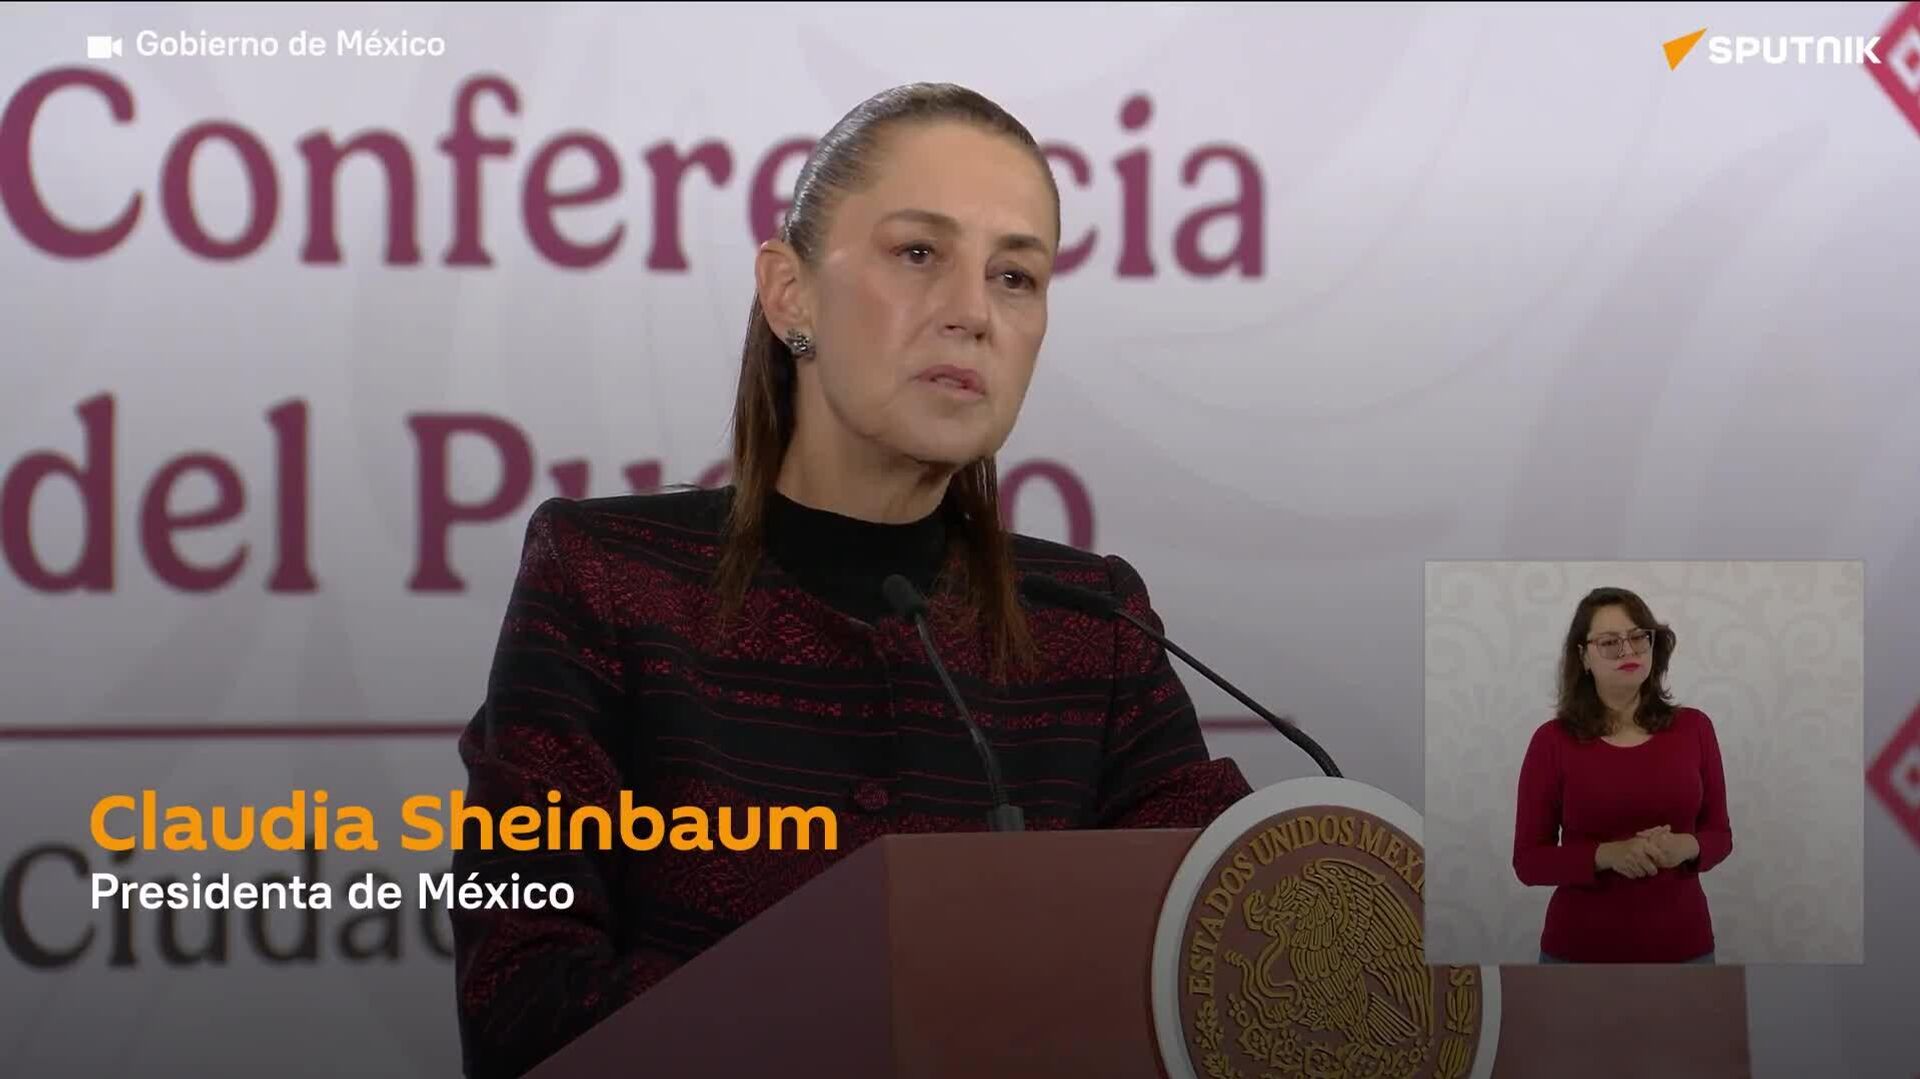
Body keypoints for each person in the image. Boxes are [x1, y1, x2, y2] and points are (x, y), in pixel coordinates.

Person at [446, 83, 1254, 1079]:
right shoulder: (607, 577)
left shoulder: (1092, 624)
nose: (972, 313)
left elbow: (1231, 940)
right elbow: (520, 1000)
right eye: (918, 253)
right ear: (790, 293)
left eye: (1015, 276)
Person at [1510, 586, 1734, 964]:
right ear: (1583, 656)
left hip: (1685, 948)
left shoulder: (1695, 728)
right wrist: (1606, 855)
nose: (1628, 651)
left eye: (1638, 637)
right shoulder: (1552, 742)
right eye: (1610, 642)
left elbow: (1720, 836)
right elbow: (1529, 862)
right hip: (1579, 953)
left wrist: (1686, 846)